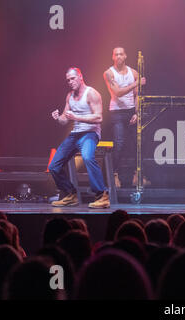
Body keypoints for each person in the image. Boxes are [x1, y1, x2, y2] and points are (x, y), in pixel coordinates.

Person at [49, 67, 110, 208]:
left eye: (73, 78)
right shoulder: (69, 96)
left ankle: (102, 196)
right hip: (75, 134)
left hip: (90, 133)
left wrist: (76, 117)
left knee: (88, 157)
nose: (70, 82)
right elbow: (65, 119)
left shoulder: (92, 94)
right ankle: (71, 194)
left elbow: (99, 117)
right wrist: (58, 118)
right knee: (54, 166)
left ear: (80, 77)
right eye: (68, 80)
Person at [103, 47, 146, 188]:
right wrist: (136, 82)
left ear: (125, 56)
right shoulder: (109, 73)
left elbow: (137, 95)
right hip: (117, 112)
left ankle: (137, 175)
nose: (119, 56)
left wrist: (136, 112)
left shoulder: (133, 72)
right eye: (116, 54)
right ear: (112, 57)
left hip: (131, 111)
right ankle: (114, 175)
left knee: (137, 144)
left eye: (121, 54)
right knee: (119, 144)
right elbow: (118, 93)